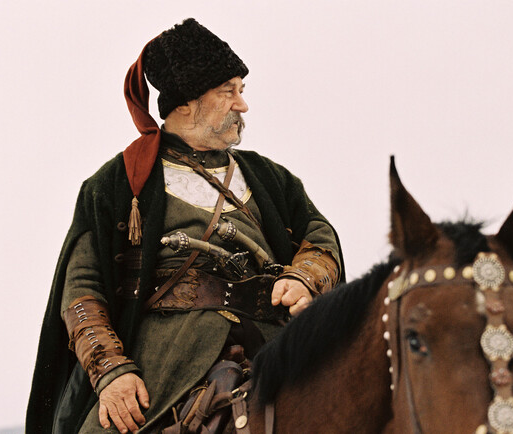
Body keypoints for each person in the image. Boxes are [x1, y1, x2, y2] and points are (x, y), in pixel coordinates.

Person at [26, 18, 344, 433]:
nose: (242, 105)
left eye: (242, 90)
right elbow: (82, 292)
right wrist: (112, 373)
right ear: (186, 103)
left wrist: (305, 277)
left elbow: (319, 234)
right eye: (228, 92)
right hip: (167, 362)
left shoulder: (269, 176)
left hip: (275, 341)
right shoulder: (116, 184)